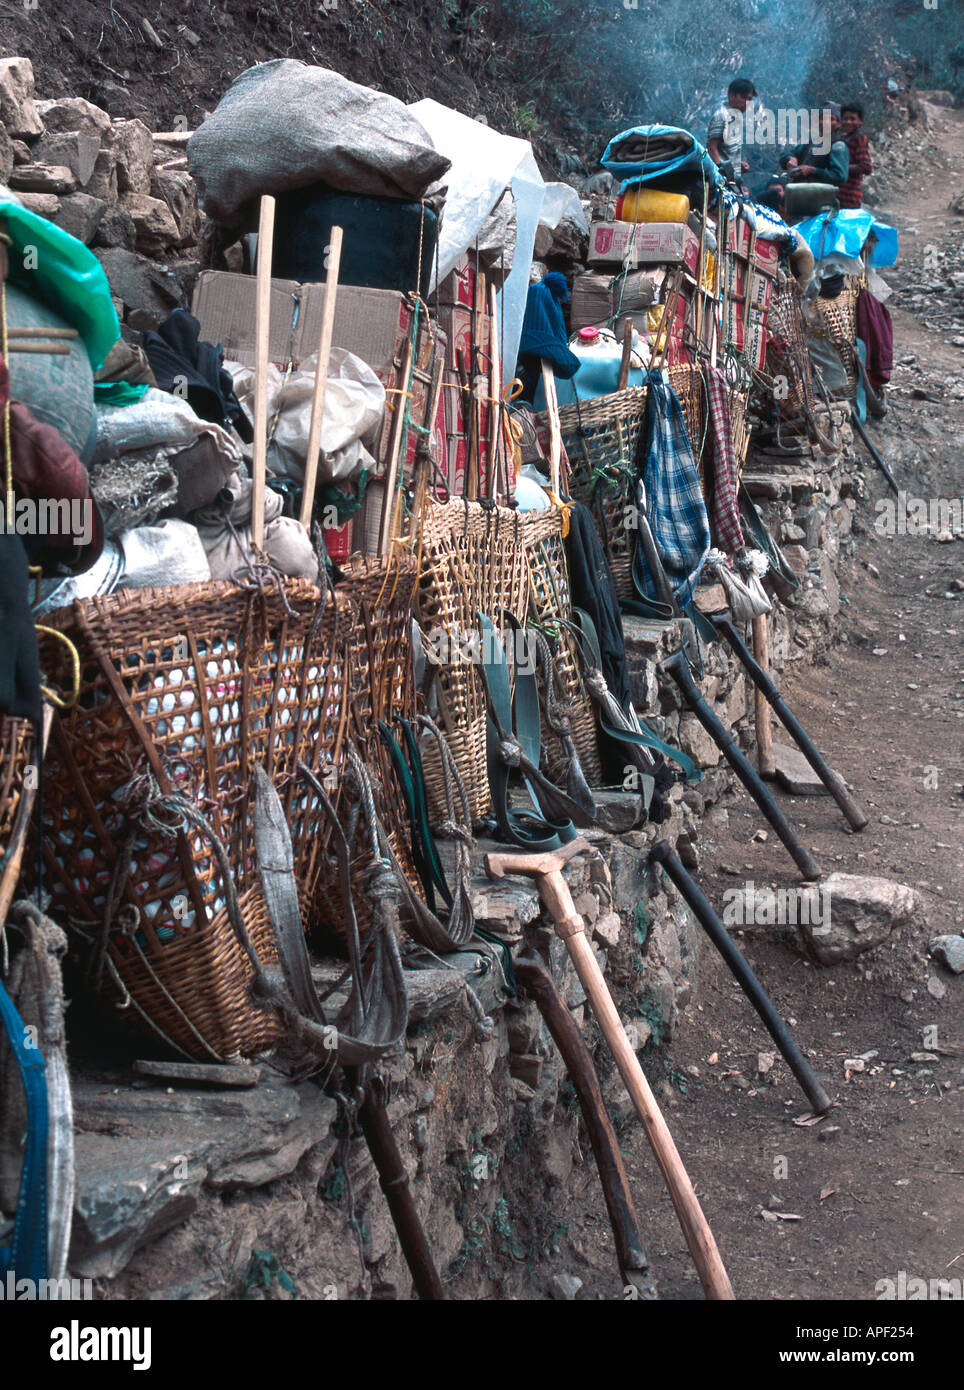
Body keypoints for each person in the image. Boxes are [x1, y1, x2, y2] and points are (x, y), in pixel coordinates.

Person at [760, 103, 849, 213]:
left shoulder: (838, 146)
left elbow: (840, 176)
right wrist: (790, 159)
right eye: (823, 118)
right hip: (801, 199)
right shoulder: (810, 142)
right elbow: (786, 155)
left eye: (831, 119)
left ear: (838, 124)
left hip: (822, 203)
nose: (826, 122)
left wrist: (812, 170)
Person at [707, 78, 757, 190]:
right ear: (731, 95)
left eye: (749, 99)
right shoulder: (722, 116)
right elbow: (712, 147)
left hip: (732, 179)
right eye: (743, 97)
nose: (746, 103)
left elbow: (725, 152)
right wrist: (722, 171)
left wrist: (737, 165)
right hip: (721, 181)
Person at [837, 103, 873, 208]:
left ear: (860, 122)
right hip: (839, 195)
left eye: (853, 119)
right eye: (845, 118)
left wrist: (840, 168)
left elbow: (866, 167)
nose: (848, 122)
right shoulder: (843, 138)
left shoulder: (859, 139)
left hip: (850, 196)